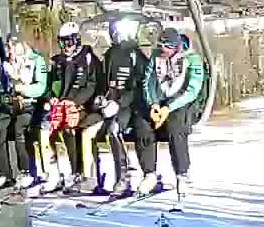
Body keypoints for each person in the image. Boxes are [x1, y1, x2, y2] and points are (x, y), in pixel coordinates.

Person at [132, 27, 205, 199]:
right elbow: (148, 81)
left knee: (175, 126)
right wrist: (153, 104)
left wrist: (169, 108)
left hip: (182, 102)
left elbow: (192, 90)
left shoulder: (192, 59)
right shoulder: (156, 56)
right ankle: (149, 173)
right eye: (161, 46)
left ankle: (182, 173)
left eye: (167, 47)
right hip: (160, 100)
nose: (163, 50)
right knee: (142, 123)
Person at [83, 14, 147, 197]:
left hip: (130, 108)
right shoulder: (110, 54)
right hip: (109, 105)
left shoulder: (135, 55)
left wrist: (119, 103)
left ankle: (123, 176)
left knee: (114, 128)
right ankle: (90, 177)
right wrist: (99, 99)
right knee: (86, 129)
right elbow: (103, 82)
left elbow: (139, 87)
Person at [43, 22, 101, 193]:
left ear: (77, 40)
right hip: (61, 107)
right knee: (47, 128)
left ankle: (81, 173)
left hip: (85, 107)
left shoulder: (87, 59)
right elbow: (50, 85)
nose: (66, 46)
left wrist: (74, 102)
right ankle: (55, 174)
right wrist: (52, 98)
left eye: (69, 42)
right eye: (62, 43)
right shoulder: (58, 62)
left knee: (72, 127)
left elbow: (92, 86)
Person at [0, 35, 47, 188]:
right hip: (12, 105)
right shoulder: (5, 66)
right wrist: (8, 99)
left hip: (31, 104)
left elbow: (41, 87)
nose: (10, 51)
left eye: (13, 47)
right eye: (8, 47)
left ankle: (26, 170)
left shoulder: (35, 60)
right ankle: (2, 172)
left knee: (20, 126)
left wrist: (23, 90)